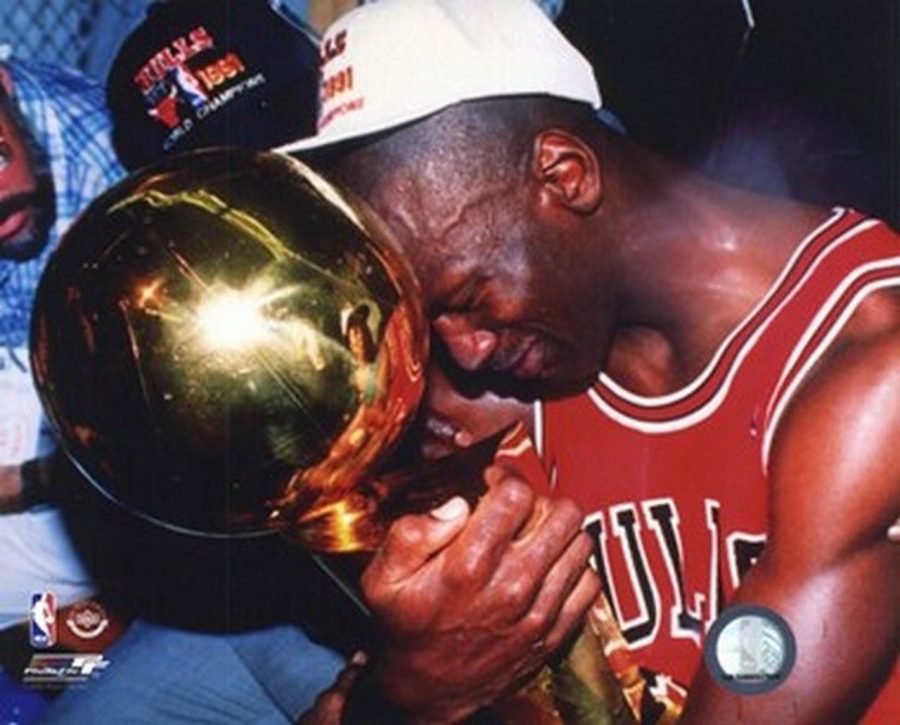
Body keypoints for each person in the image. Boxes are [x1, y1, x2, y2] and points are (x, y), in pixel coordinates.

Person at [284, 0, 899, 722]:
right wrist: (409, 687)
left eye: (471, 295)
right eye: (433, 317)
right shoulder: (528, 372)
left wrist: (417, 696)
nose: (464, 349)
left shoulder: (866, 362)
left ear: (566, 176)